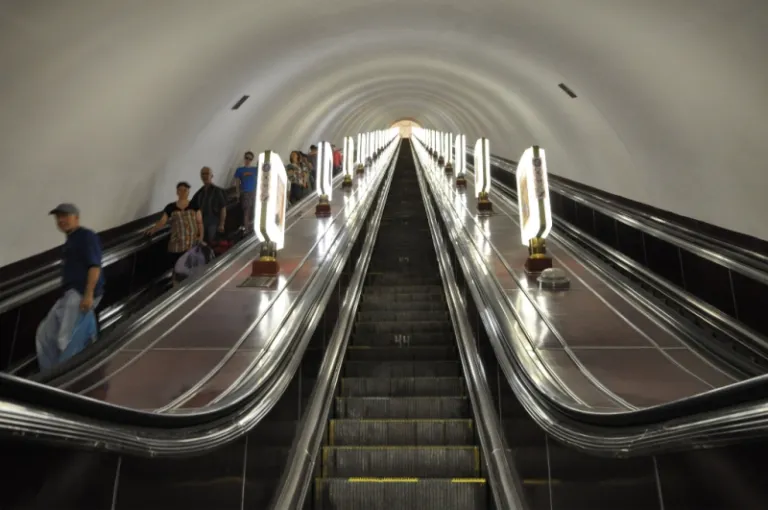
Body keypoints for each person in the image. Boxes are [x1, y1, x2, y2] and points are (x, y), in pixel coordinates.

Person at [36, 203, 105, 370]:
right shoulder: (71, 240)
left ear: (76, 218)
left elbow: (94, 267)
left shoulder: (86, 236)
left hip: (80, 294)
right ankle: (49, 373)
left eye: (65, 216)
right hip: (69, 294)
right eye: (58, 217)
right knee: (45, 333)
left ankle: (66, 374)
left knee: (67, 338)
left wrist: (88, 294)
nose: (61, 220)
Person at [146, 181, 204, 283]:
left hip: (191, 243)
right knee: (176, 268)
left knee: (190, 267)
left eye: (185, 190)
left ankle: (188, 284)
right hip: (177, 244)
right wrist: (153, 230)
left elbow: (200, 222)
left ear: (188, 192)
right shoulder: (170, 207)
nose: (183, 192)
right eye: (180, 190)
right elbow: (162, 221)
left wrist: (201, 237)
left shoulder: (194, 205)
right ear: (177, 192)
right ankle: (176, 285)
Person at [191, 166, 227, 244]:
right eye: (203, 174)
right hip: (202, 222)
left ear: (212, 176)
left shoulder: (218, 191)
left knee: (212, 241)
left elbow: (223, 208)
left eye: (207, 173)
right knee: (202, 242)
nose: (205, 176)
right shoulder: (199, 193)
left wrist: (222, 224)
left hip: (213, 221)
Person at [233, 151, 258, 232]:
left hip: (254, 192)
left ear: (252, 160)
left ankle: (253, 228)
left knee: (254, 210)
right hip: (245, 192)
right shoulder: (240, 170)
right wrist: (237, 193)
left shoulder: (255, 169)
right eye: (246, 158)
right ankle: (246, 230)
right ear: (244, 158)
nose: (248, 160)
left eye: (250, 159)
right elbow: (237, 183)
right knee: (246, 211)